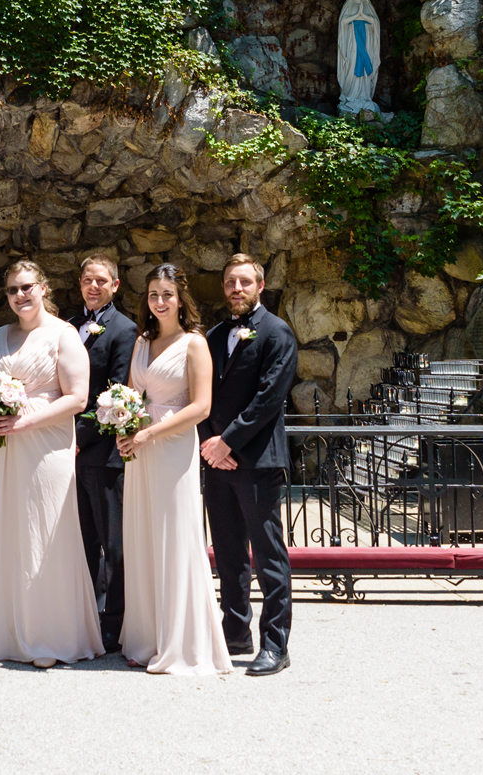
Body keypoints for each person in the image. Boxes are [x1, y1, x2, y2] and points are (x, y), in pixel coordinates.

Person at [0, 260, 101, 668]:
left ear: (43, 287)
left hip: (46, 446)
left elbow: (77, 398)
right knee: (3, 528)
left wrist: (25, 421)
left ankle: (47, 636)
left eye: (26, 287)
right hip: (1, 446)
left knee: (43, 529)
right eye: (12, 290)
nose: (20, 296)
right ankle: (1, 631)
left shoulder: (64, 335)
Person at [119, 263, 233, 677]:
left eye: (167, 294)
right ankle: (147, 636)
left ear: (180, 298)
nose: (160, 301)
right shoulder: (142, 341)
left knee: (173, 536)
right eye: (153, 294)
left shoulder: (194, 343)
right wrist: (125, 426)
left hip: (172, 447)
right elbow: (131, 394)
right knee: (143, 536)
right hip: (140, 449)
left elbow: (200, 407)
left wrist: (153, 433)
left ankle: (181, 641)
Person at [199, 254, 299, 678]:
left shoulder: (278, 333)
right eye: (229, 282)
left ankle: (276, 644)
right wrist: (209, 444)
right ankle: (235, 632)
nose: (236, 289)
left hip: (257, 460)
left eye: (244, 282)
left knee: (268, 554)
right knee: (228, 553)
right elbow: (202, 392)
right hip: (216, 461)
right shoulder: (215, 333)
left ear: (260, 285)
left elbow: (269, 399)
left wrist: (228, 441)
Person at [71, 252, 137, 653]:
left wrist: (77, 436)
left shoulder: (124, 330)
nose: (92, 286)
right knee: (80, 540)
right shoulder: (68, 327)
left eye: (101, 281)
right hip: (66, 451)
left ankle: (114, 621)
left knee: (112, 544)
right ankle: (82, 616)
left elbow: (115, 396)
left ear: (115, 285)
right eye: (86, 280)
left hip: (102, 453)